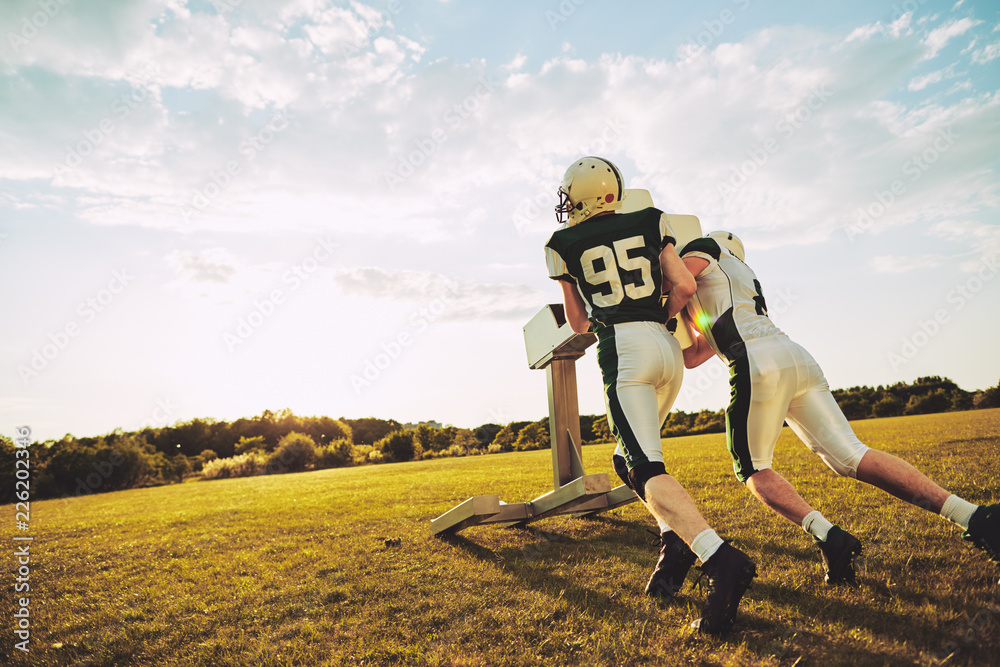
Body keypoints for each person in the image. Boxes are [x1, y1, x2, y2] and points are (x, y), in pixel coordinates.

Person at [666, 229, 999, 584]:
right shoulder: (742, 281)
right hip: (794, 355)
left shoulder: (708, 248)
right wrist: (677, 322)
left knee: (752, 469)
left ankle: (828, 535)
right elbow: (693, 356)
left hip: (757, 360)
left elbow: (679, 280)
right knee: (851, 455)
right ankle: (974, 517)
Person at [544, 157, 756, 634]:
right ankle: (673, 539)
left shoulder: (560, 244)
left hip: (624, 351)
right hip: (666, 347)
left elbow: (579, 325)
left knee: (644, 466)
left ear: (580, 195)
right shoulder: (650, 219)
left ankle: (718, 558)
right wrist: (663, 317)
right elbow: (682, 284)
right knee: (628, 459)